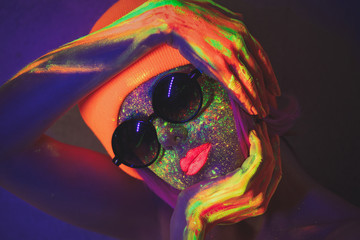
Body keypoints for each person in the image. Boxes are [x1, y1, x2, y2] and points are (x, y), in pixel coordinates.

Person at [0, 0, 359, 239]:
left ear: (245, 82)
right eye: (136, 140)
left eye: (178, 99)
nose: (167, 139)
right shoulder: (165, 219)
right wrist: (157, 23)